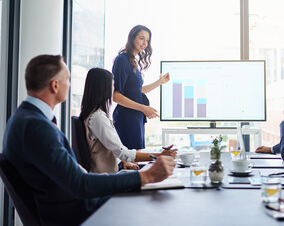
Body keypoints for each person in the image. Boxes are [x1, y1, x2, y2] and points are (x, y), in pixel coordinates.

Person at [2, 55, 175, 226]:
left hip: (69, 207)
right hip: (74, 214)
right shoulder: (36, 127)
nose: (69, 85)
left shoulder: (25, 119)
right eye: (67, 80)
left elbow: (70, 174)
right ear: (55, 85)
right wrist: (146, 176)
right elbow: (80, 184)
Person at [79, 68, 177, 173]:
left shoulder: (93, 115)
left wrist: (123, 162)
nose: (113, 89)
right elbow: (122, 152)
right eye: (112, 85)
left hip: (111, 172)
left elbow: (112, 149)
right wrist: (159, 155)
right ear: (104, 88)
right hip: (106, 178)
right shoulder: (98, 118)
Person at [112, 25, 170, 150]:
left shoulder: (132, 61)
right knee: (129, 161)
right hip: (127, 117)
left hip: (136, 116)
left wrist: (159, 82)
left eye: (147, 40)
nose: (145, 43)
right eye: (142, 38)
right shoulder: (122, 60)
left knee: (134, 160)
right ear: (132, 38)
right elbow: (115, 95)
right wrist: (144, 108)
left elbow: (136, 91)